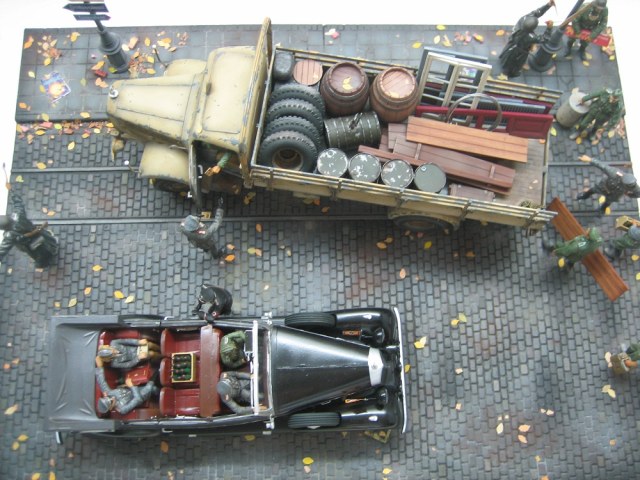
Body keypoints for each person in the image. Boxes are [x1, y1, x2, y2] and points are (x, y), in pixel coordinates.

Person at [0, 188, 59, 268]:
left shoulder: (9, 236)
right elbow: (18, 204)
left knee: (40, 254)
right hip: (37, 232)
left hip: (30, 244)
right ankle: (53, 246)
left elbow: (2, 250)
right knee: (48, 240)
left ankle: (43, 263)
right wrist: (11, 191)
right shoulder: (19, 216)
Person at [498, 1, 555, 78]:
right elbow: (544, 39)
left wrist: (548, 5)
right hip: (520, 52)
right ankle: (511, 73)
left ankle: (503, 61)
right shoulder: (531, 37)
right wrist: (549, 28)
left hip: (512, 43)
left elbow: (536, 13)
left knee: (506, 54)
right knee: (516, 63)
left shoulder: (523, 19)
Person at [95, 356, 159, 415]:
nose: (112, 398)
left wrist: (99, 366)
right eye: (111, 401)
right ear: (110, 408)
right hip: (138, 394)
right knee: (151, 388)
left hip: (128, 387)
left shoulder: (109, 393)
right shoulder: (122, 409)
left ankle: (155, 366)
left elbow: (101, 381)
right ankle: (159, 391)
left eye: (109, 397)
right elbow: (138, 400)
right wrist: (132, 386)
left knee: (133, 371)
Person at [576, 158, 640, 213]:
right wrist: (590, 160)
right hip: (603, 187)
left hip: (614, 195)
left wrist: (629, 194)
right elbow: (603, 166)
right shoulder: (614, 173)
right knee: (592, 190)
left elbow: (638, 194)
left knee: (607, 202)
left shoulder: (633, 187)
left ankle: (602, 208)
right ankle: (584, 196)